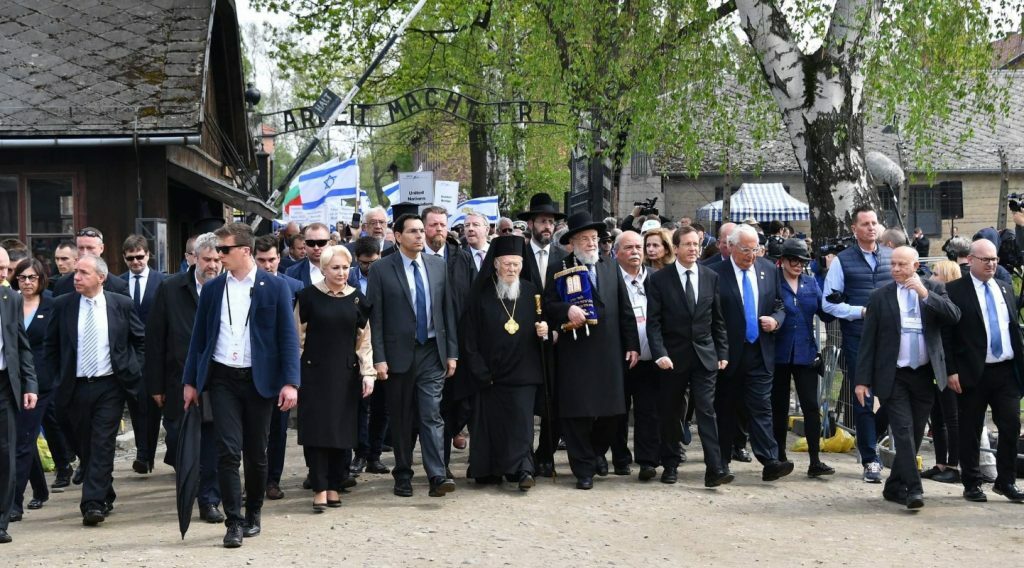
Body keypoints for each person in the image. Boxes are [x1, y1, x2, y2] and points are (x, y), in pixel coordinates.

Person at [182, 223, 300, 548]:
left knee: (256, 454)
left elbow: (287, 339)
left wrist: (290, 382)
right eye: (217, 250)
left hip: (259, 381)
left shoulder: (274, 288)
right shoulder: (213, 288)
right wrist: (190, 382)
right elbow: (199, 339)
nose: (218, 256)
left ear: (244, 251)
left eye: (224, 250)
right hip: (222, 378)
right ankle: (233, 522)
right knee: (228, 451)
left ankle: (254, 514)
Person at [856, 246, 960, 509]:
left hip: (924, 374)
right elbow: (868, 341)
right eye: (893, 264)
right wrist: (862, 380)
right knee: (902, 432)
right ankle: (914, 489)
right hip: (895, 375)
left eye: (902, 264)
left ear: (916, 266)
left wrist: (925, 295)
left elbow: (953, 316)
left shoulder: (934, 289)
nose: (896, 269)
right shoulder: (880, 296)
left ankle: (893, 487)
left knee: (913, 433)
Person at [43, 254, 143, 526]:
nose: (76, 277)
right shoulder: (62, 305)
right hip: (73, 387)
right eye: (75, 272)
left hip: (109, 385)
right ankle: (104, 491)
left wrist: (134, 370)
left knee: (102, 443)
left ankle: (92, 504)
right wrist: (53, 381)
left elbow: (140, 340)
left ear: (101, 277)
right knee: (85, 447)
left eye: (83, 273)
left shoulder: (121, 305)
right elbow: (50, 347)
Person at [543, 212, 640, 490]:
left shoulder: (609, 267)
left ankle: (596, 452)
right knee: (577, 414)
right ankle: (583, 468)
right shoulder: (558, 267)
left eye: (594, 238)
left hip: (610, 352)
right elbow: (548, 306)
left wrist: (632, 344)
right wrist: (566, 309)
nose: (590, 243)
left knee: (612, 412)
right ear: (571, 243)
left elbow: (625, 309)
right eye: (584, 239)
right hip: (576, 351)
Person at [367, 214, 459, 499]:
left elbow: (447, 312)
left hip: (432, 351)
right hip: (397, 355)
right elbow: (376, 318)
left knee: (432, 413)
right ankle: (403, 473)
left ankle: (436, 474)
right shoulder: (381, 269)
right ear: (397, 236)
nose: (420, 236)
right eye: (413, 231)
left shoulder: (438, 265)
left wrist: (452, 353)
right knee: (402, 417)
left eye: (422, 230)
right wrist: (378, 358)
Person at [145, 233, 225, 524]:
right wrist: (155, 385)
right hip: (178, 382)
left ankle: (209, 500)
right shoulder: (170, 289)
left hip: (219, 381)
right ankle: (189, 490)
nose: (213, 265)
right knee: (180, 440)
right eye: (207, 259)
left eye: (218, 259)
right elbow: (155, 340)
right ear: (194, 258)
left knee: (213, 443)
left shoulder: (230, 289)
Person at [646, 226, 732, 487]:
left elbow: (717, 319)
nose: (693, 249)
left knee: (706, 410)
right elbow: (654, 322)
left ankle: (715, 468)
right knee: (671, 413)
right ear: (676, 248)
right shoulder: (660, 280)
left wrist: (723, 351)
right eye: (688, 245)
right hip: (672, 358)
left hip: (705, 356)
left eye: (696, 244)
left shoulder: (710, 276)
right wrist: (659, 353)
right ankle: (670, 464)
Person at [293, 245, 375, 512]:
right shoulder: (307, 297)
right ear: (323, 269)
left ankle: (334, 485)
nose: (341, 273)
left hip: (346, 374)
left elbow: (364, 342)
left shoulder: (358, 300)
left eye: (344, 267)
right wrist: (295, 375)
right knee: (318, 433)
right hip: (314, 374)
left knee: (342, 432)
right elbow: (297, 340)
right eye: (335, 268)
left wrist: (368, 374)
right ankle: (318, 486)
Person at [461, 236, 547, 490]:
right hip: (490, 375)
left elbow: (543, 321)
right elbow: (469, 337)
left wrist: (545, 330)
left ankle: (523, 470)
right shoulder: (480, 294)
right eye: (507, 264)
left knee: (521, 426)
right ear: (496, 264)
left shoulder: (532, 292)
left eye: (517, 264)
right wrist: (479, 371)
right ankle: (490, 470)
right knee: (491, 426)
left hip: (524, 373)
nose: (512, 269)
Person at [943, 239, 1024, 503]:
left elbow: (1011, 326)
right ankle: (972, 482)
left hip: (1005, 371)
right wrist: (951, 370)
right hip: (972, 372)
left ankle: (1006, 481)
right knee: (970, 428)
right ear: (972, 260)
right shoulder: (955, 290)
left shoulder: (1004, 287)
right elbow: (948, 335)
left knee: (1011, 425)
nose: (991, 264)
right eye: (986, 259)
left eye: (995, 259)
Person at [711, 224, 793, 481]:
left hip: (760, 351)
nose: (751, 254)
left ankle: (770, 460)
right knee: (726, 410)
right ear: (731, 247)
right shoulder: (714, 273)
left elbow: (780, 304)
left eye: (755, 249)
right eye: (746, 249)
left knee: (761, 408)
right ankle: (721, 463)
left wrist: (776, 320)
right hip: (728, 354)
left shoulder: (768, 270)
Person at [822, 205, 893, 483]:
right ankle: (870, 459)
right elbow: (828, 303)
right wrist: (858, 311)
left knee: (895, 395)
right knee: (862, 398)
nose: (871, 227)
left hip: (890, 340)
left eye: (874, 222)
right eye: (865, 224)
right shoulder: (843, 261)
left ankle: (871, 434)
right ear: (854, 229)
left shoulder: (891, 258)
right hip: (858, 338)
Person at [596, 229, 657, 478]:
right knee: (616, 411)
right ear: (617, 252)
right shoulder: (607, 277)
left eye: (638, 248)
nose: (635, 252)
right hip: (618, 355)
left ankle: (647, 461)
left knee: (647, 410)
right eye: (629, 248)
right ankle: (617, 456)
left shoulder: (655, 277)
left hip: (650, 356)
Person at [772, 239, 835, 478]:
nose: (798, 265)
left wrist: (837, 298)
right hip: (778, 353)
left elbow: (825, 313)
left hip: (806, 353)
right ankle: (779, 456)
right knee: (778, 408)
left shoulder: (810, 283)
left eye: (802, 261)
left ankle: (815, 460)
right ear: (783, 261)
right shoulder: (773, 282)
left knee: (811, 406)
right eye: (793, 260)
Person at [421, 206, 475, 474]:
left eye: (442, 224)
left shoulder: (461, 258)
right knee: (433, 408)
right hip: (427, 347)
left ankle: (444, 463)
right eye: (433, 225)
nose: (438, 229)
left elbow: (472, 300)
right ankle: (437, 466)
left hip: (459, 346)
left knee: (455, 406)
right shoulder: (415, 259)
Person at [516, 193, 567, 477]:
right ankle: (523, 454)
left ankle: (545, 454)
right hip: (523, 338)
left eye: (551, 222)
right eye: (542, 221)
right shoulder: (518, 255)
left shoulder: (563, 257)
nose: (547, 226)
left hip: (556, 340)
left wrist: (558, 328)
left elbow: (567, 297)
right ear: (531, 224)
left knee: (554, 398)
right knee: (527, 398)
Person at [253, 234, 303, 500]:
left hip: (281, 368)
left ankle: (273, 479)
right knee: (251, 431)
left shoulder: (294, 287)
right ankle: (253, 480)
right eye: (261, 260)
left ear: (279, 258)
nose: (267, 265)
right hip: (251, 368)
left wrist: (293, 377)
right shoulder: (244, 287)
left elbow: (296, 335)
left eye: (272, 259)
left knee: (278, 429)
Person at [9, 260, 52, 522]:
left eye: (32, 278)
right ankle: (40, 487)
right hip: (14, 381)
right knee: (24, 438)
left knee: (22, 441)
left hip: (42, 384)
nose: (27, 282)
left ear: (41, 280)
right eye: (22, 277)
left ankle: (14, 502)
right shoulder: (9, 302)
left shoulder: (52, 305)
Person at [119, 235, 165, 475]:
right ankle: (143, 454)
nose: (135, 262)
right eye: (130, 258)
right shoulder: (118, 283)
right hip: (129, 354)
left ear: (148, 255)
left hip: (156, 352)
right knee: (136, 404)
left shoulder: (162, 281)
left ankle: (150, 453)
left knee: (155, 404)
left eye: (140, 257)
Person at [0, 259, 37, 544]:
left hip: (4, 385)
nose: (4, 275)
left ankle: (1, 520)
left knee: (5, 454)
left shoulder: (10, 298)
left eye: (6, 269)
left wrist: (30, 384)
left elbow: (21, 345)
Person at [347, 237, 389, 476]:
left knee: (382, 406)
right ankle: (360, 453)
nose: (369, 268)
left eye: (373, 262)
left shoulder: (386, 275)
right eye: (364, 263)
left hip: (382, 349)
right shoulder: (350, 278)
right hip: (357, 350)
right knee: (361, 406)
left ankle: (374, 455)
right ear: (357, 259)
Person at [920, 259, 963, 484]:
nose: (931, 278)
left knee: (951, 417)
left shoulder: (950, 303)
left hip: (948, 368)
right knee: (937, 416)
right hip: (936, 367)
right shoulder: (934, 300)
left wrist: (951, 370)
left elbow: (950, 339)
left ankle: (953, 464)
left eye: (936, 274)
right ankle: (940, 462)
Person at [52, 228, 130, 297]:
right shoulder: (62, 284)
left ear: (101, 248)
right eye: (81, 248)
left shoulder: (119, 286)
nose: (85, 253)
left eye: (90, 248)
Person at [285, 223, 331, 288]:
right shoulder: (292, 272)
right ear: (305, 244)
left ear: (329, 243)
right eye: (311, 243)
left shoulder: (344, 270)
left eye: (321, 242)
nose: (316, 248)